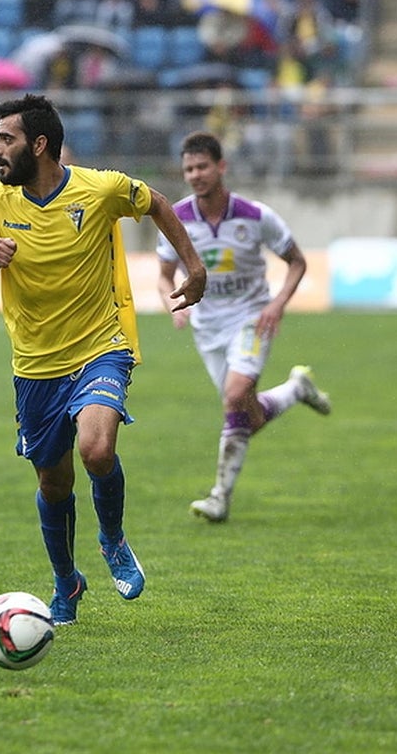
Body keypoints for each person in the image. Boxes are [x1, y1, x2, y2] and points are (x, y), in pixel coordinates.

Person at [0, 94, 207, 625]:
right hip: (35, 366)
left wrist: (195, 267)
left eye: (6, 139)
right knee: (54, 484)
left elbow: (158, 202)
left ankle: (114, 539)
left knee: (96, 451)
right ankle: (65, 582)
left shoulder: (99, 189)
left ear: (40, 144)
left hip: (101, 347)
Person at [156, 131, 331, 524]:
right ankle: (295, 389)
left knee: (234, 397)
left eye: (202, 166)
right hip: (207, 326)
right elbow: (164, 275)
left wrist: (276, 304)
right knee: (246, 416)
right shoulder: (177, 217)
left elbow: (297, 261)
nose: (196, 175)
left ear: (221, 167)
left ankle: (219, 497)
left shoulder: (256, 216)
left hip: (250, 318)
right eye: (189, 169)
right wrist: (173, 304)